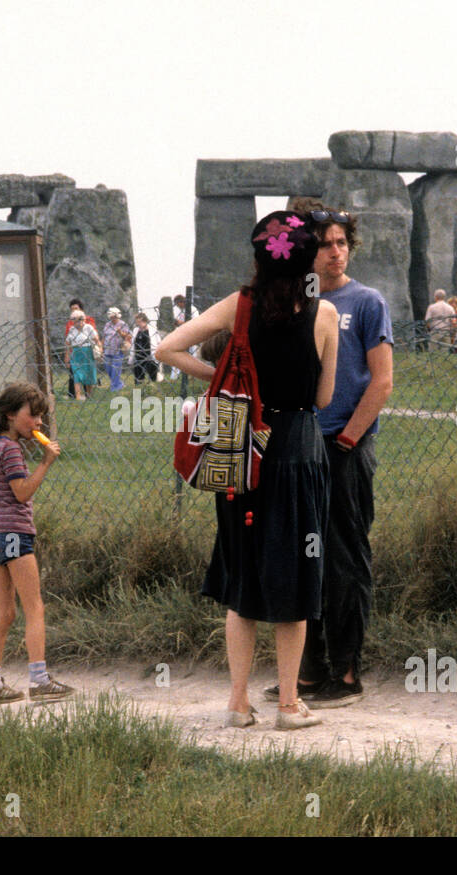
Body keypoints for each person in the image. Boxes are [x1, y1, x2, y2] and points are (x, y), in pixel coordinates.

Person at [156, 210, 340, 731]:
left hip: (242, 455)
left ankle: (237, 703)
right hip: (299, 454)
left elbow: (166, 348)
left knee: (244, 577)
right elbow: (323, 398)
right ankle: (288, 703)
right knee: (297, 580)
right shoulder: (323, 315)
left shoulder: (239, 306)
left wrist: (223, 376)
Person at [268, 199, 394, 710]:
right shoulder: (294, 302)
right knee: (302, 557)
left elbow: (381, 382)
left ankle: (344, 672)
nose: (335, 252)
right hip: (298, 445)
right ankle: (305, 669)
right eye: (324, 244)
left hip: (345, 445)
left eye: (342, 243)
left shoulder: (366, 303)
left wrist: (345, 441)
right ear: (306, 250)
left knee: (344, 557)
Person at [0, 383, 74, 705]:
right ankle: (40, 680)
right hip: (13, 535)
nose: (38, 423)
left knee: (4, 614)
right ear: (10, 415)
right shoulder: (11, 450)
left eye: (41, 417)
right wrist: (46, 463)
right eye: (32, 416)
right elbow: (21, 493)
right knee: (34, 608)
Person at [65, 308, 100, 400]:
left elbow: (96, 339)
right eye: (75, 321)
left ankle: (89, 395)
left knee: (89, 374)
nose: (78, 323)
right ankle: (78, 397)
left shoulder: (88, 327)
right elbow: (68, 343)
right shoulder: (72, 329)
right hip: (76, 354)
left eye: (80, 320)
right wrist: (67, 358)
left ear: (84, 319)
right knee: (77, 375)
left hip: (88, 353)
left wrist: (99, 350)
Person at [101, 307, 132, 391]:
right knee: (108, 369)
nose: (113, 318)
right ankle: (119, 384)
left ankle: (114, 388)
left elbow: (128, 336)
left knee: (116, 369)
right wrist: (101, 348)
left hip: (118, 350)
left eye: (115, 317)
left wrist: (120, 332)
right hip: (107, 350)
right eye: (112, 317)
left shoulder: (123, 324)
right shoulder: (107, 325)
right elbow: (104, 336)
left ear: (118, 316)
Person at [63, 299, 84, 398]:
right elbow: (67, 340)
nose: (74, 310)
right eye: (72, 309)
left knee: (86, 371)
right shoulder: (69, 323)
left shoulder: (88, 320)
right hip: (73, 352)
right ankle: (72, 394)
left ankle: (88, 394)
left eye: (76, 308)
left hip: (85, 350)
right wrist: (67, 355)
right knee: (73, 373)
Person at [131, 311, 159, 383]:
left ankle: (152, 391)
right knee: (138, 377)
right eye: (137, 322)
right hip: (138, 355)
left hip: (150, 355)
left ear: (145, 321)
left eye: (140, 322)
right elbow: (133, 343)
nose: (138, 324)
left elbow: (158, 342)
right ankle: (137, 393)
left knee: (153, 376)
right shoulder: (135, 330)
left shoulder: (152, 330)